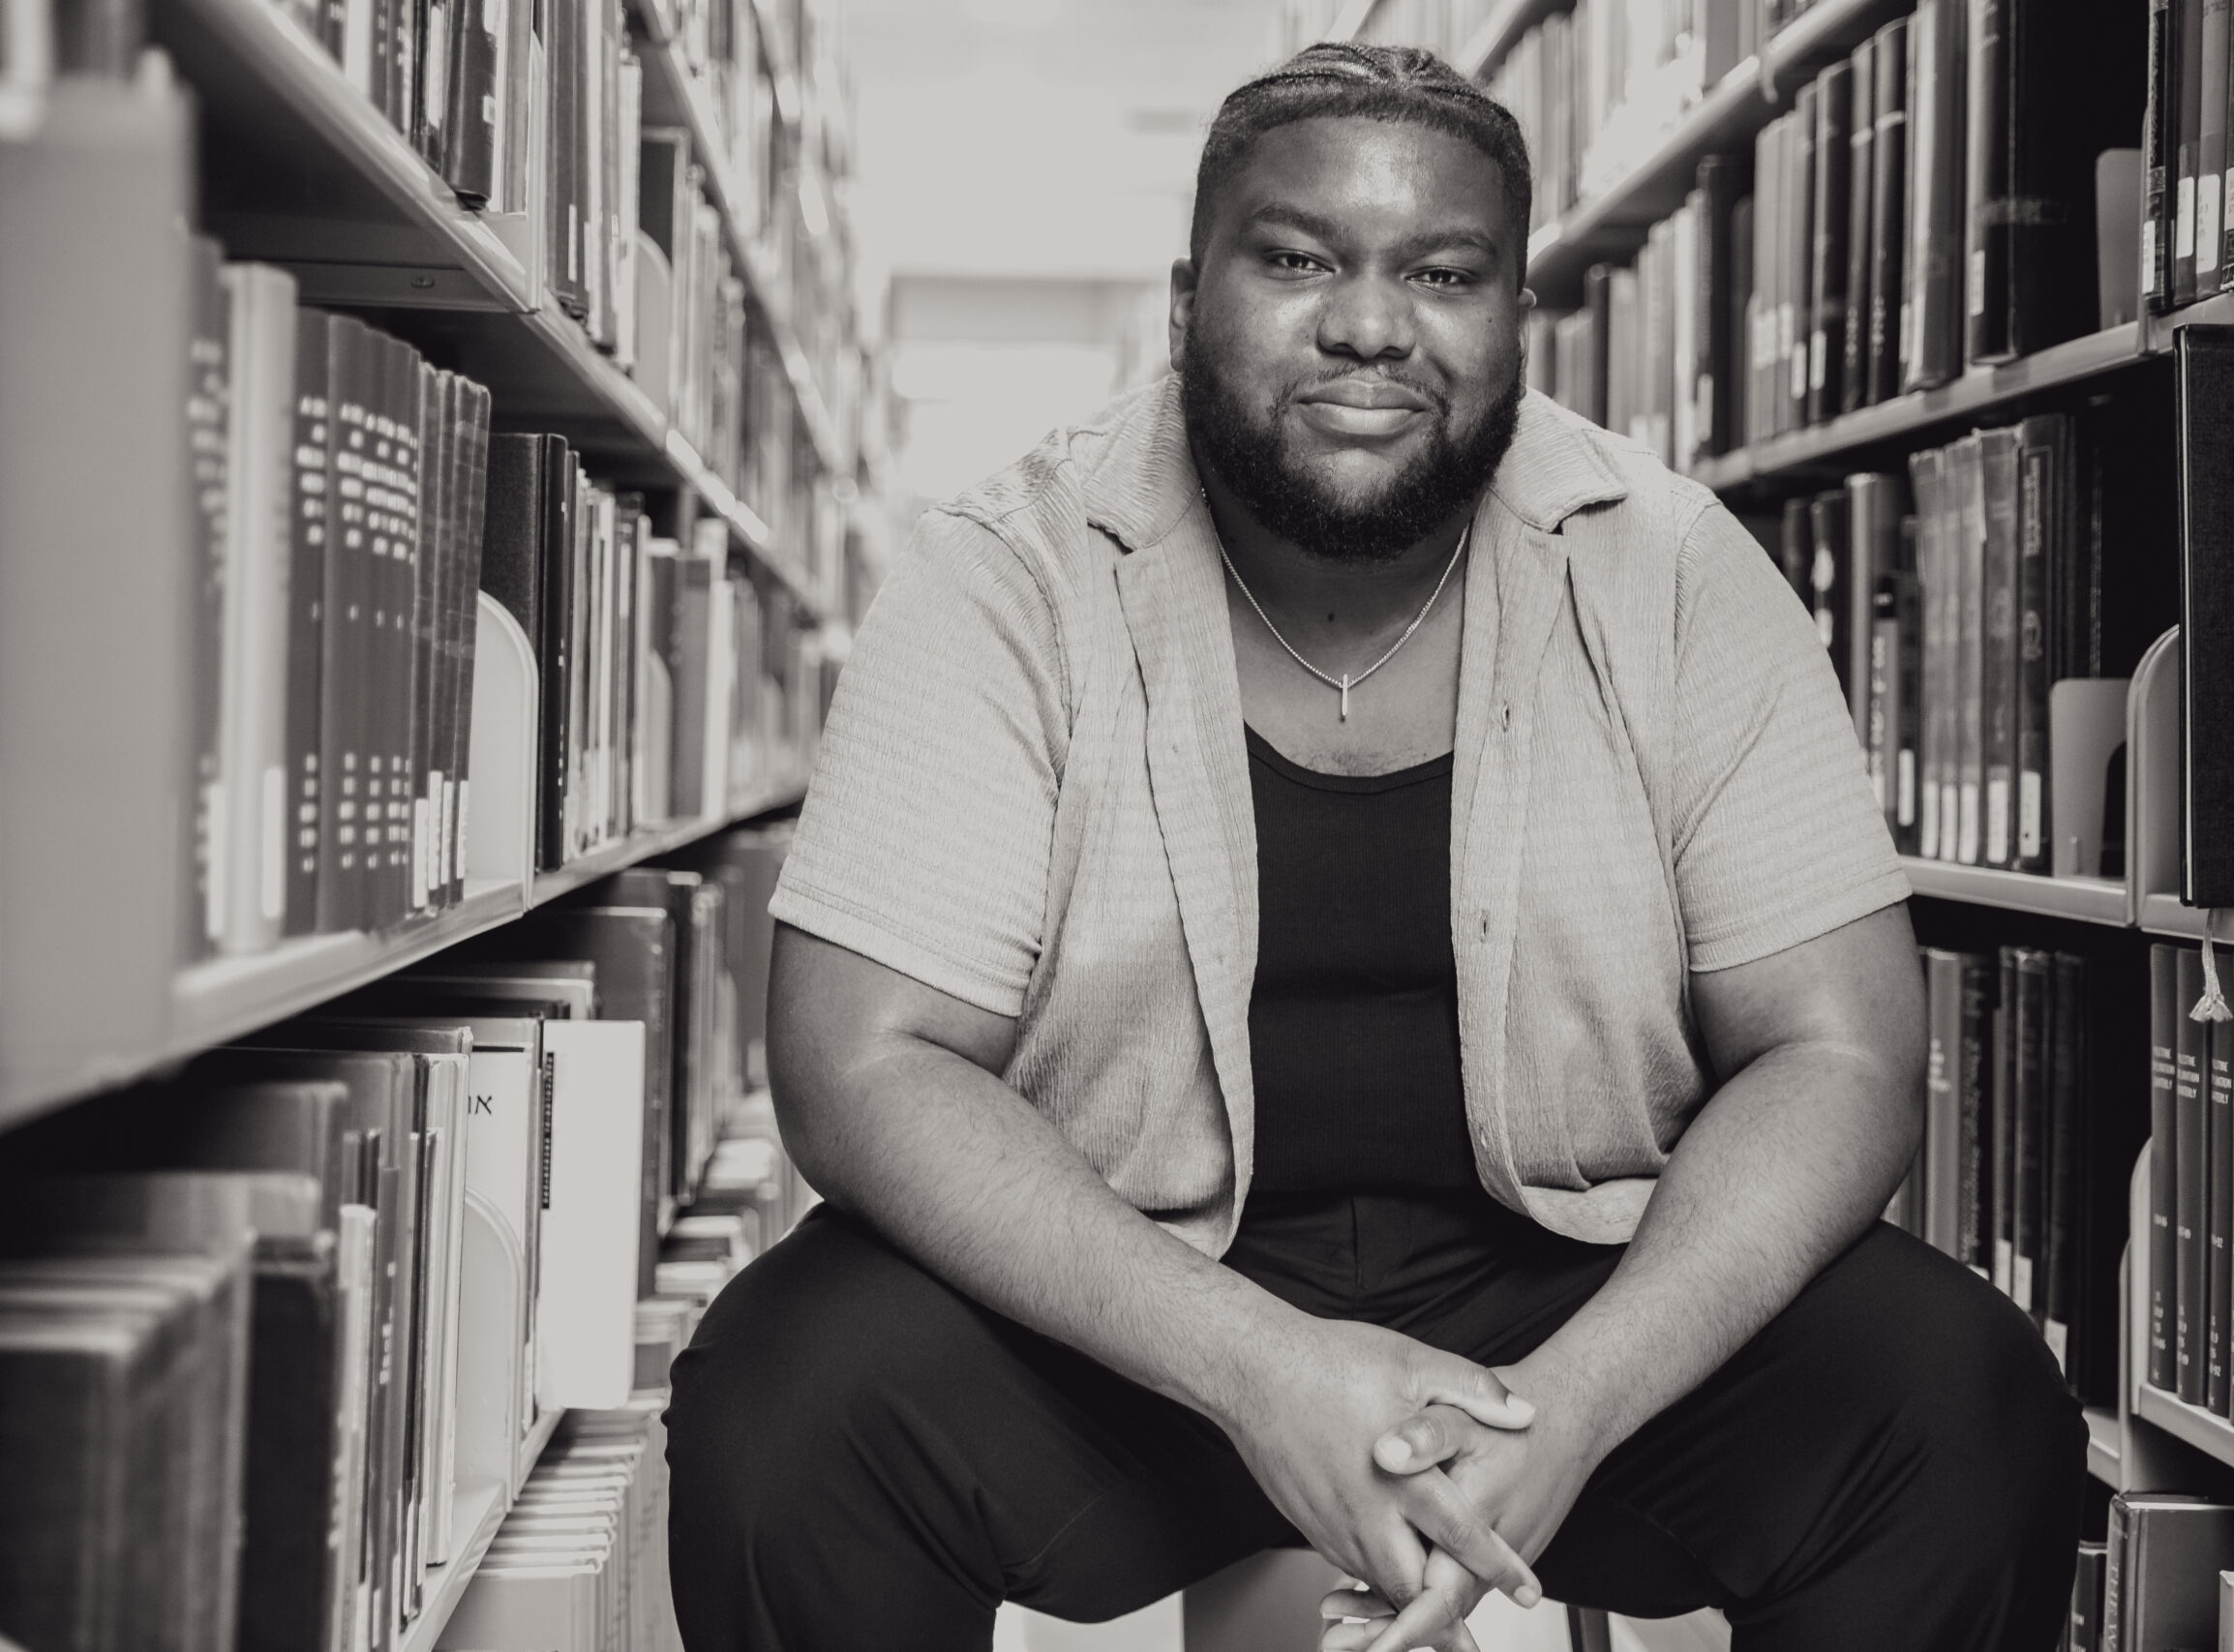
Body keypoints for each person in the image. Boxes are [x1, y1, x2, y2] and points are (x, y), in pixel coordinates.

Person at [666, 42, 2084, 1652]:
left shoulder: (1676, 572)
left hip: (1569, 1297)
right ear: (1185, 291)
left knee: (1958, 1404)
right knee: (785, 1407)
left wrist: (1569, 1412)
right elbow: (859, 1063)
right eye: (1295, 259)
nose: (1368, 322)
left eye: (1443, 271)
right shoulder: (1007, 577)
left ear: (1516, 320)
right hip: (1129, 1307)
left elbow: (1841, 1053)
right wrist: (1261, 1370)